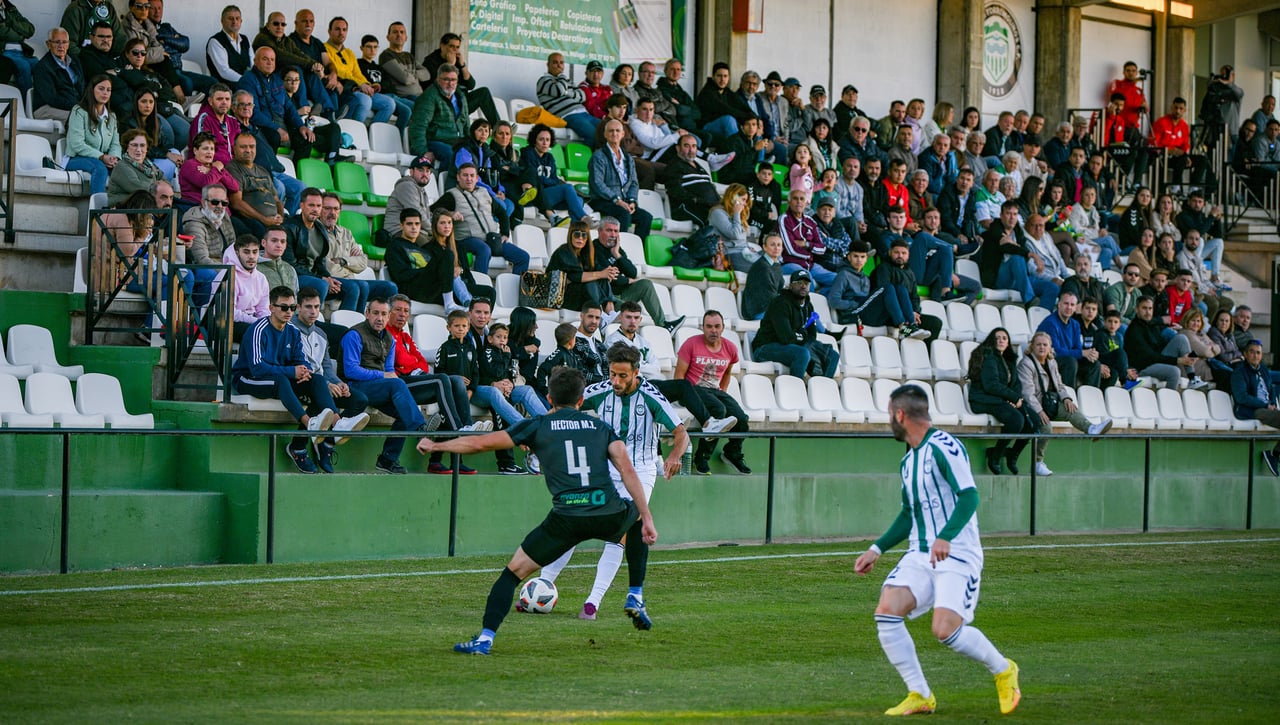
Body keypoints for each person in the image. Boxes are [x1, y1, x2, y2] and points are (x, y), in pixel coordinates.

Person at [421, 365, 658, 655]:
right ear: (581, 401)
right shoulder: (601, 428)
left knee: (511, 575)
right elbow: (628, 471)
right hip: (605, 510)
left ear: (548, 398)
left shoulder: (537, 425)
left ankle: (485, 639)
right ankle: (635, 593)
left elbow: (480, 443)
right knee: (633, 521)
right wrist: (646, 517)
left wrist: (436, 445)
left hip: (566, 518)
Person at [854, 383, 1021, 716]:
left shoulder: (945, 446)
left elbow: (969, 495)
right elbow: (908, 514)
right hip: (920, 553)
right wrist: (877, 548)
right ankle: (920, 694)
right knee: (887, 611)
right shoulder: (908, 461)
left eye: (889, 414)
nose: (889, 420)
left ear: (900, 414)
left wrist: (945, 536)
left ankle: (1003, 669)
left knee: (945, 631)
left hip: (957, 551)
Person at [538, 342, 689, 619]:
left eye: (622, 375)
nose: (616, 381)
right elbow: (564, 407)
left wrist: (675, 455)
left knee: (619, 531)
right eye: (612, 374)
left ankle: (592, 603)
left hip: (640, 470)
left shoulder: (651, 396)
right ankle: (542, 585)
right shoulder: (601, 391)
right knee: (574, 522)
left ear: (636, 372)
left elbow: (681, 432)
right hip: (606, 469)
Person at [232, 285, 367, 474]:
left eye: (292, 308)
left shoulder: (292, 332)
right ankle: (308, 422)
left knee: (318, 381)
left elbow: (299, 361)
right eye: (284, 307)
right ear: (271, 307)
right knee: (282, 380)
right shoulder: (258, 329)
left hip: (279, 378)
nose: (289, 312)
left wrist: (303, 372)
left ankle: (338, 422)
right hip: (248, 379)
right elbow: (257, 368)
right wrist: (292, 371)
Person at [339, 297, 434, 474]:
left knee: (403, 409)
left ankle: (387, 459)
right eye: (375, 313)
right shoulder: (354, 334)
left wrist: (387, 377)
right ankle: (421, 428)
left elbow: (390, 369)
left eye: (384, 314)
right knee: (398, 386)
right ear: (367, 314)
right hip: (353, 387)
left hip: (376, 387)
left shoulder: (389, 339)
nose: (380, 318)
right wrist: (383, 375)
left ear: (389, 315)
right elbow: (351, 370)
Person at [290, 285, 372, 471]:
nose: (313, 312)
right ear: (298, 307)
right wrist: (327, 384)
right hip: (300, 383)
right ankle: (298, 447)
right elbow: (300, 365)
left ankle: (325, 443)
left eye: (317, 307)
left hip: (321, 383)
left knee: (359, 399)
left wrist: (338, 382)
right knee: (321, 398)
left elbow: (326, 367)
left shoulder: (321, 334)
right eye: (308, 307)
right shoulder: (290, 330)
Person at [1018, 331, 1113, 478]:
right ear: (1032, 346)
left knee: (1071, 409)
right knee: (1046, 426)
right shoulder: (1026, 364)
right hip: (1031, 406)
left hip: (1049, 402)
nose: (1042, 347)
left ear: (1050, 347)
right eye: (1038, 345)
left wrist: (1066, 398)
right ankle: (1037, 463)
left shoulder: (1051, 362)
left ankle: (1091, 429)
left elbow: (1060, 385)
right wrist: (1039, 411)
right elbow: (1027, 394)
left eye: (1045, 345)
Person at [674, 310, 752, 475]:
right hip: (692, 389)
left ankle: (732, 453)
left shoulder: (730, 348)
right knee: (719, 410)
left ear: (723, 327)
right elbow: (679, 375)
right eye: (709, 327)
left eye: (717, 326)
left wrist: (722, 392)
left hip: (715, 391)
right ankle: (701, 458)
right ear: (703, 327)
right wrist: (682, 396)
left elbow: (727, 373)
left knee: (742, 418)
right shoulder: (691, 344)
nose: (713, 330)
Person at [430, 162, 528, 281]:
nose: (469, 179)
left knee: (523, 257)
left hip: (491, 238)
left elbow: (501, 213)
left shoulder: (484, 192)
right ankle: (479, 286)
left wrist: (505, 233)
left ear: (477, 178)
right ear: (458, 177)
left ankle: (515, 291)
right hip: (466, 239)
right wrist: (449, 214)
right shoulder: (451, 195)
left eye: (472, 176)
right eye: (465, 175)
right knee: (484, 249)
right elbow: (432, 211)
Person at [594, 217, 683, 329]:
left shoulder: (616, 249)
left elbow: (633, 272)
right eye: (609, 230)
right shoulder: (593, 249)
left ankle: (663, 325)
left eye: (616, 231)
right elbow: (609, 276)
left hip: (623, 295)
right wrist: (627, 280)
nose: (613, 234)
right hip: (607, 300)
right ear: (599, 231)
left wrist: (617, 254)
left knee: (645, 284)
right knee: (630, 311)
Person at [967, 328, 1033, 474]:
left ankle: (1012, 455)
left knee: (1033, 421)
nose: (1001, 340)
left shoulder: (1009, 359)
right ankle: (995, 455)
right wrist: (1013, 398)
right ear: (992, 340)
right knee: (1016, 420)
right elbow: (991, 385)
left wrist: (1015, 398)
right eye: (997, 338)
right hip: (983, 399)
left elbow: (1016, 384)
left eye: (1004, 338)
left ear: (1008, 342)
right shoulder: (988, 357)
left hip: (1001, 399)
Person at [752, 269, 839, 378]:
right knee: (802, 354)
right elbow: (786, 337)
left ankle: (823, 389)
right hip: (765, 347)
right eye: (799, 283)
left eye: (806, 283)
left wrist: (800, 336)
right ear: (790, 286)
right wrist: (802, 336)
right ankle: (796, 390)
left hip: (792, 345)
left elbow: (812, 336)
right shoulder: (780, 303)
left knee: (833, 355)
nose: (803, 286)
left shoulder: (808, 305)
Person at [317, 193, 397, 310]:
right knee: (358, 286)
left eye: (336, 209)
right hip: (332, 282)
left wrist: (342, 261)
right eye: (327, 208)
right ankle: (351, 323)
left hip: (351, 280)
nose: (332, 213)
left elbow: (363, 262)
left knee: (390, 287)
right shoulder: (315, 232)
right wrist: (351, 263)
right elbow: (326, 266)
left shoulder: (346, 233)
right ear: (319, 210)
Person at [386, 209, 473, 311]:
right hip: (414, 289)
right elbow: (401, 275)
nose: (414, 227)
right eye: (409, 224)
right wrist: (430, 271)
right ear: (401, 225)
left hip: (432, 286)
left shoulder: (420, 248)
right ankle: (451, 303)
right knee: (447, 254)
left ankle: (474, 311)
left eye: (417, 224)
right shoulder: (395, 246)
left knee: (488, 292)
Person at [285, 187, 357, 310]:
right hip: (295, 277)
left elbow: (320, 261)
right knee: (321, 285)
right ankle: (312, 321)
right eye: (311, 205)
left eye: (318, 206)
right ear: (302, 205)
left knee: (352, 288)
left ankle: (351, 326)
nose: (315, 209)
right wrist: (322, 279)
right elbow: (290, 265)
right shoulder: (290, 228)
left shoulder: (319, 228)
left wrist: (328, 277)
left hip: (314, 275)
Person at [979, 201, 1058, 310]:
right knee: (1017, 258)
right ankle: (1030, 300)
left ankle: (1040, 318)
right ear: (1001, 215)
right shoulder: (995, 229)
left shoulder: (1018, 231)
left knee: (1052, 288)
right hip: (1000, 278)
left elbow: (1021, 250)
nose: (1012, 218)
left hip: (1020, 277)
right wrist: (1031, 254)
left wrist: (1014, 244)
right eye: (1008, 213)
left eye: (1015, 214)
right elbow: (1007, 248)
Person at [1123, 296, 1206, 391]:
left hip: (1155, 361)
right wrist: (1178, 360)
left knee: (1181, 338)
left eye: (1150, 308)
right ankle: (1169, 404)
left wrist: (1186, 357)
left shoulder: (1151, 325)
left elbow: (1161, 347)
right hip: (1142, 367)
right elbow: (1149, 356)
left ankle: (1192, 378)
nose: (1148, 312)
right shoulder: (1134, 330)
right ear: (1137, 309)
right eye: (1144, 308)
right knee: (1174, 371)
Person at [587, 118, 652, 236]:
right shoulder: (598, 156)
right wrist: (616, 200)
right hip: (603, 200)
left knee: (646, 217)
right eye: (611, 131)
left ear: (622, 134)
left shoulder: (628, 158)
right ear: (605, 134)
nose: (614, 134)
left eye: (617, 131)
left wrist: (632, 201)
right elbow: (597, 183)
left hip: (624, 202)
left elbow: (634, 183)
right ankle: (618, 249)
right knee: (624, 214)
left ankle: (637, 250)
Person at [421, 31, 499, 126]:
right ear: (442, 45)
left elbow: (471, 85)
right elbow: (437, 87)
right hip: (443, 104)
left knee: (483, 92)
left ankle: (499, 127)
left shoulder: (457, 60)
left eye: (457, 47)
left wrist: (462, 65)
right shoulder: (430, 61)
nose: (454, 50)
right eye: (451, 46)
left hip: (461, 101)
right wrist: (450, 65)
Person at [522, 123, 589, 226]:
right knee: (567, 188)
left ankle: (576, 227)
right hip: (536, 195)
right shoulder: (528, 153)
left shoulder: (549, 157)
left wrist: (547, 181)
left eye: (547, 140)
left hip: (549, 195)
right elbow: (533, 178)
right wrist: (549, 181)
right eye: (541, 139)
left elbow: (554, 180)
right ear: (534, 140)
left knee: (579, 199)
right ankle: (584, 218)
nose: (545, 143)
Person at [66, 74, 120, 195]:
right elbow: (76, 144)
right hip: (75, 158)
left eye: (108, 90)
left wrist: (113, 158)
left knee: (122, 169)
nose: (105, 93)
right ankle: (98, 212)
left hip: (102, 159)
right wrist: (101, 156)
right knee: (100, 168)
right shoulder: (79, 111)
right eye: (101, 88)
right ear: (92, 90)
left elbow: (115, 144)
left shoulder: (112, 116)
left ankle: (120, 210)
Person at [1231, 341, 1280, 476]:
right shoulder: (1239, 372)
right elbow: (1242, 397)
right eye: (1252, 352)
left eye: (1258, 353)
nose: (1255, 355)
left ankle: (1274, 454)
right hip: (1250, 411)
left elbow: (1271, 390)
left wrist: (1272, 404)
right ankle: (1274, 454)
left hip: (1267, 409)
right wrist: (1265, 405)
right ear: (1245, 354)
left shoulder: (1263, 370)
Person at [1036, 291, 1099, 388]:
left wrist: (1091, 354)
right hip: (1048, 362)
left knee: (1094, 364)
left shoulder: (1075, 324)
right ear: (1059, 304)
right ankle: (1067, 398)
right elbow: (1054, 352)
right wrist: (1082, 353)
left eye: (1072, 305)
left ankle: (1089, 398)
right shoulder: (1050, 323)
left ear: (1075, 308)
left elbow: (1077, 348)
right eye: (1066, 303)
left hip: (1068, 360)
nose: (1069, 307)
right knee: (1070, 362)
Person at [408, 61, 467, 162]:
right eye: (446, 79)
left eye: (453, 80)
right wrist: (423, 151)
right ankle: (446, 178)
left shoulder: (460, 96)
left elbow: (466, 125)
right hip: (434, 141)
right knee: (449, 154)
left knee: (476, 153)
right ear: (438, 80)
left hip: (456, 141)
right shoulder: (429, 97)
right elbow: (418, 127)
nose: (450, 83)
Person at [536, 51, 597, 142]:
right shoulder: (543, 80)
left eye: (561, 63)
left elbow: (582, 96)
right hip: (568, 115)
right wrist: (561, 76)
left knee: (607, 128)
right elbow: (558, 91)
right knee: (593, 134)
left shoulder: (566, 81)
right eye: (555, 62)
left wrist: (566, 92)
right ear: (548, 64)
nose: (559, 65)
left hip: (584, 113)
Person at [222, 234, 269, 342]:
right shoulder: (227, 275)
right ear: (237, 253)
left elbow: (263, 309)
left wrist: (267, 323)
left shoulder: (261, 278)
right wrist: (256, 322)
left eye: (255, 252)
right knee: (257, 333)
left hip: (250, 320)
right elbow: (229, 313)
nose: (251, 256)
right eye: (246, 252)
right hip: (225, 322)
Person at [31, 27, 83, 124]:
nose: (61, 46)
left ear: (68, 44)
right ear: (48, 44)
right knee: (79, 118)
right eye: (57, 42)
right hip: (46, 108)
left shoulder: (75, 61)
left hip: (73, 106)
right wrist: (78, 106)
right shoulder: (42, 67)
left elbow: (82, 87)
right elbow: (51, 98)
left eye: (64, 42)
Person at [179, 132, 238, 209]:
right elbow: (206, 184)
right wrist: (216, 170)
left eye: (212, 149)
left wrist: (211, 170)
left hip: (221, 212)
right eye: (205, 148)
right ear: (195, 150)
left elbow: (235, 187)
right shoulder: (189, 165)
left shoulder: (214, 166)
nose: (209, 152)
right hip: (198, 211)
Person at [107, 129, 165, 206]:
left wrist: (165, 189)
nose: (138, 150)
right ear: (127, 147)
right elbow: (137, 187)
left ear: (147, 148)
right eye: (134, 145)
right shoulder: (121, 166)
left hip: (143, 206)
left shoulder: (150, 165)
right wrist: (160, 189)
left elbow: (164, 179)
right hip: (122, 209)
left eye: (142, 145)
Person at [383, 154, 435, 238]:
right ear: (411, 171)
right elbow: (417, 212)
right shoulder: (407, 186)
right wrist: (434, 231)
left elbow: (426, 215)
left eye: (427, 171)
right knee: (432, 247)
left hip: (415, 231)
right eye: (421, 170)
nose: (425, 174)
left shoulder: (421, 189)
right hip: (398, 231)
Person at [377, 22, 428, 101]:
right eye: (395, 32)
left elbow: (427, 74)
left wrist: (410, 73)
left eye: (402, 32)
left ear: (406, 38)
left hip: (420, 95)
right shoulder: (386, 56)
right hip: (404, 98)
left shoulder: (409, 56)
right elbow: (405, 79)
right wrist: (414, 73)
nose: (399, 35)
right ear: (388, 37)